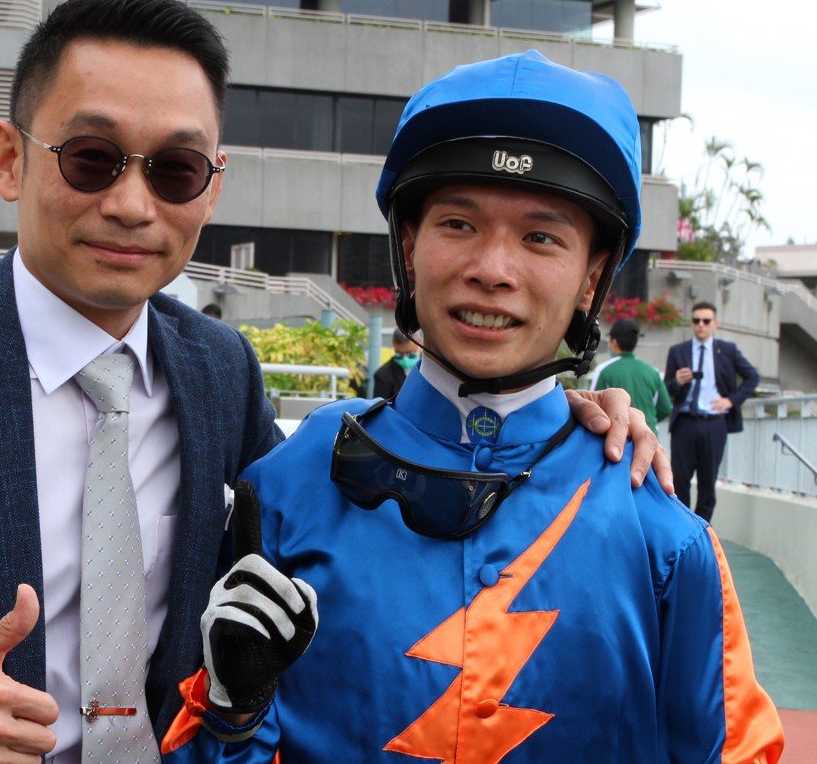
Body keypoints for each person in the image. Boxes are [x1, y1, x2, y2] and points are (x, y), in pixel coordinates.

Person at [0, 0, 665, 763]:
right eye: (93, 158)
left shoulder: (215, 369)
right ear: (10, 159)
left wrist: (550, 419)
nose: (132, 204)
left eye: (175, 171)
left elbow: (339, 510)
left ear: (211, 187)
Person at [163, 51, 783, 762]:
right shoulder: (286, 486)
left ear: (592, 279)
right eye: (458, 224)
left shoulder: (666, 539)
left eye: (540, 237)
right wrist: (231, 716)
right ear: (408, 245)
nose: (492, 270)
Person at [664, 301, 760, 522]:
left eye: (706, 321)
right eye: (696, 320)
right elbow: (667, 387)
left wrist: (731, 401)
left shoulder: (727, 350)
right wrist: (676, 381)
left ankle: (703, 532)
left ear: (715, 324)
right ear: (691, 323)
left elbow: (752, 377)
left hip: (714, 423)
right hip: (685, 422)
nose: (701, 325)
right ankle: (683, 528)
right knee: (679, 481)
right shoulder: (678, 351)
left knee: (708, 482)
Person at [590, 318, 670, 434]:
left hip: (618, 439)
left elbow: (594, 406)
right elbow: (665, 408)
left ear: (614, 342)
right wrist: (648, 421)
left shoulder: (604, 370)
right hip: (649, 437)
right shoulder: (653, 372)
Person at [369, 329, 422, 399]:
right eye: (399, 354)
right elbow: (381, 407)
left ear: (420, 344)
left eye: (410, 354)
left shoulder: (433, 366)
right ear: (394, 345)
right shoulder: (383, 376)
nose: (405, 358)